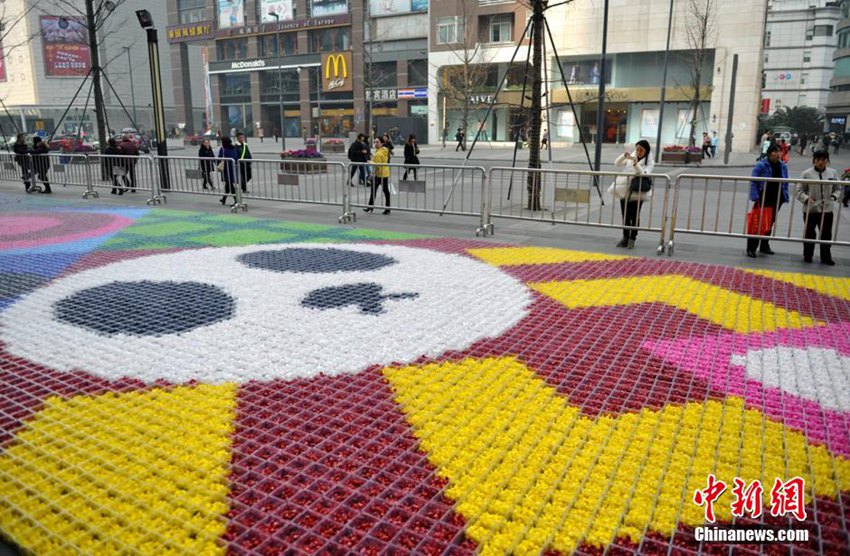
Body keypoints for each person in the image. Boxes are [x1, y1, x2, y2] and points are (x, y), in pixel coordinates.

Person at [797, 150, 841, 265]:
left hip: (827, 209)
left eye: (824, 160)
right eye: (818, 159)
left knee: (826, 234)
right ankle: (808, 255)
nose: (821, 162)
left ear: (827, 161)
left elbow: (838, 188)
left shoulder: (833, 173)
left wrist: (833, 197)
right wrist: (806, 199)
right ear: (814, 160)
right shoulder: (806, 174)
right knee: (809, 233)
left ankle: (826, 257)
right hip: (810, 210)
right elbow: (799, 190)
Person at [609, 139, 654, 249]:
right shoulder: (632, 156)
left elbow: (644, 173)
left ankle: (632, 238)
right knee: (625, 215)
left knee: (634, 215)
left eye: (641, 150)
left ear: (646, 150)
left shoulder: (649, 161)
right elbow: (617, 163)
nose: (638, 152)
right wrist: (624, 156)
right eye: (637, 149)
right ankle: (625, 237)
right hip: (625, 189)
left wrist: (636, 164)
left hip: (638, 191)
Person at [746, 144, 789, 258]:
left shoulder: (783, 166)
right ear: (769, 153)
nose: (777, 154)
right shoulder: (761, 165)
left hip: (777, 198)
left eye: (779, 152)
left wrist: (785, 195)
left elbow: (786, 181)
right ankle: (751, 248)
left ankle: (764, 245)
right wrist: (755, 196)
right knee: (758, 223)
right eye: (775, 151)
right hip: (763, 198)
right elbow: (754, 181)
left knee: (770, 223)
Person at [364, 137, 391, 215]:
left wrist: (371, 163)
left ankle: (386, 208)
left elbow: (378, 165)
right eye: (375, 142)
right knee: (376, 190)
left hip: (381, 174)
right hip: (381, 174)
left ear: (382, 143)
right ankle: (371, 207)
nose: (375, 143)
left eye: (377, 142)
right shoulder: (381, 150)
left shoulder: (380, 153)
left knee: (384, 191)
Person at [217, 137, 239, 206]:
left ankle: (236, 200)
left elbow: (219, 158)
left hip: (226, 169)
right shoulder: (234, 148)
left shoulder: (223, 149)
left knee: (230, 185)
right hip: (233, 168)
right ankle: (224, 198)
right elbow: (236, 157)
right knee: (228, 184)